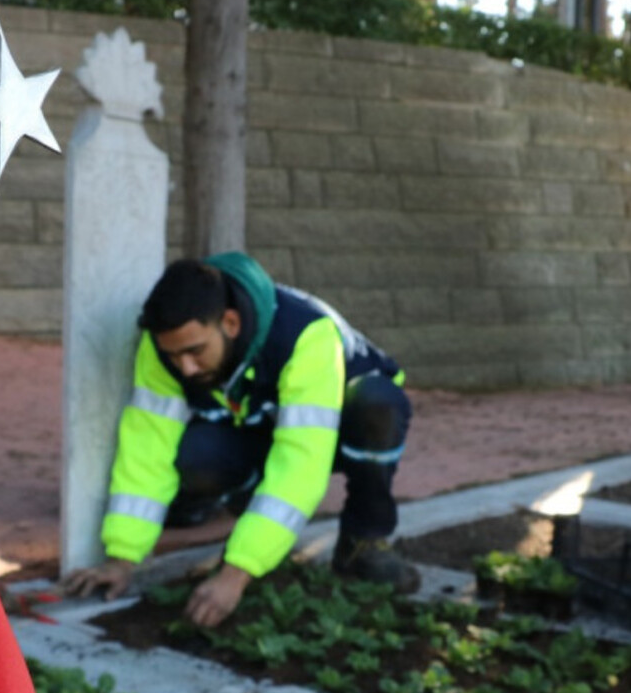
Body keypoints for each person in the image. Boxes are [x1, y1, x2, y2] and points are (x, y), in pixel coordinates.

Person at [61, 252, 418, 625]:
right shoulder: (163, 347)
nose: (185, 367)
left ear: (230, 323)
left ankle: (363, 541)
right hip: (259, 423)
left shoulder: (306, 336)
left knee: (379, 405)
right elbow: (146, 447)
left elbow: (301, 467)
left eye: (195, 352)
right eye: (174, 356)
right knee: (195, 456)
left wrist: (236, 572)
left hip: (342, 425)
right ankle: (245, 503)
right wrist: (123, 557)